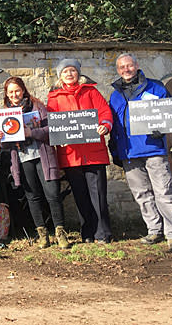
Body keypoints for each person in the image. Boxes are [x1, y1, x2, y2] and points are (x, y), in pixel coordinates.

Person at [109, 53, 172, 251]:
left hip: (153, 148)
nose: (126, 69)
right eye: (122, 67)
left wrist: (163, 128)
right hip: (129, 152)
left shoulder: (156, 87)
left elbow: (170, 115)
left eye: (129, 65)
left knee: (163, 192)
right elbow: (115, 124)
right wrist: (114, 147)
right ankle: (154, 230)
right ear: (118, 70)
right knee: (142, 194)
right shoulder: (115, 94)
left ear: (137, 66)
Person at [0, 77, 69, 249]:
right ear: (7, 94)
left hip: (43, 156)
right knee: (32, 197)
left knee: (53, 195)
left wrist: (31, 132)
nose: (15, 94)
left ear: (23, 90)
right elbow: (6, 145)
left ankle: (61, 233)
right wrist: (0, 139)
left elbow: (50, 130)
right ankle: (42, 233)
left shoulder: (38, 106)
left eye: (17, 90)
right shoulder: (5, 113)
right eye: (11, 92)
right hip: (23, 159)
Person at [47, 59, 113, 244]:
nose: (69, 74)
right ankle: (87, 232)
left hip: (94, 153)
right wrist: (57, 136)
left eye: (72, 71)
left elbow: (105, 113)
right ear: (60, 75)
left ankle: (103, 232)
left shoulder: (91, 91)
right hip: (71, 156)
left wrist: (105, 126)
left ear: (78, 73)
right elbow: (52, 123)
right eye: (65, 71)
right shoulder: (54, 97)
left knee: (98, 195)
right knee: (80, 196)